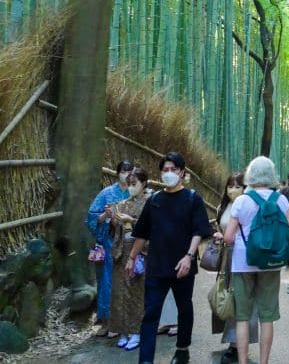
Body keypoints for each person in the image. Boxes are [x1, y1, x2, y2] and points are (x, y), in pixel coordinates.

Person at [128, 152, 214, 364]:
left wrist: (189, 257)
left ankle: (182, 350)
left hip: (183, 265)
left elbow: (198, 231)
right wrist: (131, 258)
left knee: (184, 308)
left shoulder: (192, 198)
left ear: (182, 172)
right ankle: (145, 360)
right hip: (157, 265)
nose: (169, 173)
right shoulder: (154, 200)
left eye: (173, 169)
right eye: (165, 170)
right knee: (150, 313)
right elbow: (142, 233)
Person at [224, 156, 289, 364]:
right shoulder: (281, 200)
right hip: (271, 264)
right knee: (267, 317)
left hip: (243, 263)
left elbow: (228, 237)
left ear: (250, 175)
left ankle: (243, 361)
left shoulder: (242, 200)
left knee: (242, 317)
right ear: (272, 175)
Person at [211, 173, 259, 363]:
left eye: (237, 186)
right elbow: (222, 229)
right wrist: (220, 236)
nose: (233, 190)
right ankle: (233, 341)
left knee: (241, 300)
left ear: (245, 188)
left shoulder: (248, 205)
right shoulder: (222, 207)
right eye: (230, 186)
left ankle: (236, 344)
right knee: (226, 297)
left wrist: (227, 237)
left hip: (243, 256)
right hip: (226, 257)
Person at [87, 159, 134, 335]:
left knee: (130, 280)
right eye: (123, 171)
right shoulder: (106, 193)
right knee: (107, 281)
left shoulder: (135, 192)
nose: (126, 175)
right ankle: (106, 320)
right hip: (108, 244)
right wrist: (105, 216)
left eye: (129, 171)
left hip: (130, 243)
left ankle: (128, 321)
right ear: (117, 173)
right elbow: (91, 218)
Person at [108, 168, 150, 350]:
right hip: (121, 250)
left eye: (134, 184)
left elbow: (151, 227)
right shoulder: (121, 203)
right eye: (129, 184)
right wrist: (113, 219)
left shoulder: (149, 204)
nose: (131, 187)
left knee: (136, 291)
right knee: (119, 291)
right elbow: (113, 228)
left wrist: (131, 220)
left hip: (139, 250)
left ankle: (137, 331)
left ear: (144, 183)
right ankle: (122, 330)